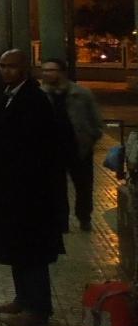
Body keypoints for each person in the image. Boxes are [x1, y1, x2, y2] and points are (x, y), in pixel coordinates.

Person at [0, 50, 66, 326]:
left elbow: (38, 147)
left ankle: (38, 308)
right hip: (11, 189)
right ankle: (22, 298)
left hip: (30, 192)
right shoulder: (10, 95)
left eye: (12, 66)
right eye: (2, 66)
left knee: (32, 251)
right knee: (17, 247)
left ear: (25, 68)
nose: (6, 71)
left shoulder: (34, 100)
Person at [40, 57, 104, 233]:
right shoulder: (41, 95)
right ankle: (61, 221)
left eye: (51, 70)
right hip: (52, 149)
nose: (46, 74)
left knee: (83, 186)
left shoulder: (81, 94)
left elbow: (96, 119)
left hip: (79, 148)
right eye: (44, 70)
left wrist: (91, 136)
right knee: (56, 188)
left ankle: (84, 216)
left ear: (62, 72)